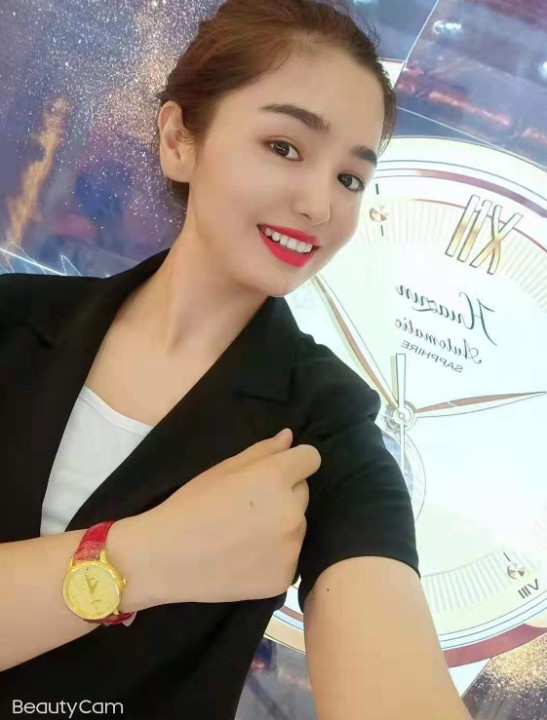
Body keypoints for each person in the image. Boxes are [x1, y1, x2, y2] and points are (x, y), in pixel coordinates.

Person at [0, 0, 472, 718]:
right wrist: (147, 555)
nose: (319, 204)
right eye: (285, 146)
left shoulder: (323, 430)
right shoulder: (11, 322)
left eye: (350, 179)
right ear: (179, 140)